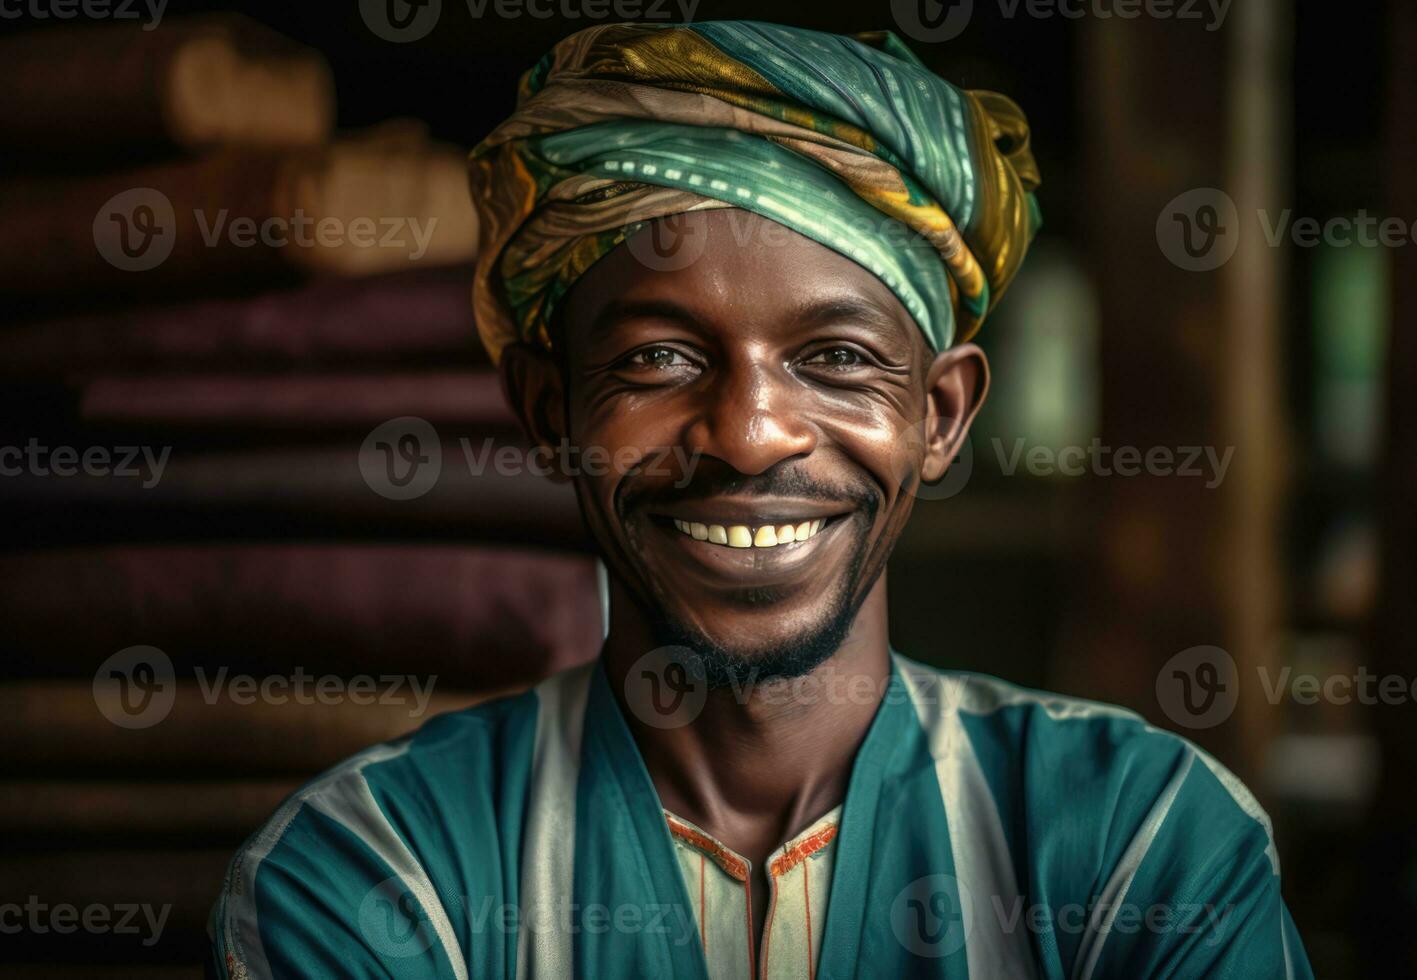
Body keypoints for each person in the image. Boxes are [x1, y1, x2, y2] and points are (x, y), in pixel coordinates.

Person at [210, 20, 1312, 979]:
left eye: (834, 358)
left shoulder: (1143, 842)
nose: (747, 434)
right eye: (657, 360)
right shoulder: (375, 869)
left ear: (942, 414)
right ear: (548, 410)